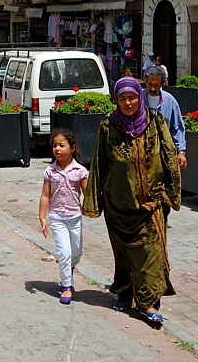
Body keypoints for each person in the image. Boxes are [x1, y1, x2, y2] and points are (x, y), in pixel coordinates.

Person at [82, 76, 181, 325]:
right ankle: (126, 295)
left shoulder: (155, 121)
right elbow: (99, 163)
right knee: (124, 256)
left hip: (151, 204)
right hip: (118, 206)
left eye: (132, 97)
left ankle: (148, 303)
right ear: (116, 100)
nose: (128, 103)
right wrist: (95, 201)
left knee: (152, 254)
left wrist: (171, 192)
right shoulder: (108, 126)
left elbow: (169, 154)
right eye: (123, 98)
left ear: (140, 96)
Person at [38, 130, 88, 306]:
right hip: (57, 217)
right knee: (64, 253)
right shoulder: (50, 171)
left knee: (76, 253)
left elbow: (87, 194)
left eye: (61, 145)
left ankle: (69, 269)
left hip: (74, 218)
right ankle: (67, 285)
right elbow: (45, 195)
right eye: (54, 145)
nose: (57, 149)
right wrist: (42, 217)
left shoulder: (80, 171)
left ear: (72, 148)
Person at [143, 66, 186, 170]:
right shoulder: (137, 99)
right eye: (150, 84)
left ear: (162, 84)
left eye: (156, 85)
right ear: (145, 82)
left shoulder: (170, 101)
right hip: (142, 153)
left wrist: (181, 151)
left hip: (163, 153)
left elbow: (177, 127)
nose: (153, 88)